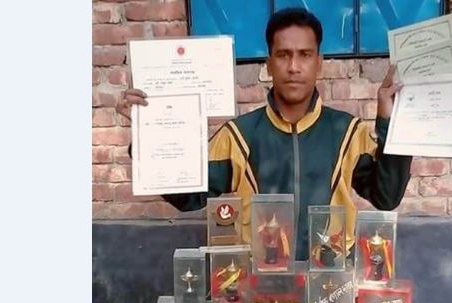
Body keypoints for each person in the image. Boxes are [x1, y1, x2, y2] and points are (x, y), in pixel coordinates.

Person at [117, 8, 412, 260]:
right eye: (283, 55)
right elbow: (188, 198)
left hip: (329, 281)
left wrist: (391, 121)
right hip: (260, 284)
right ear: (269, 64)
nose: (293, 67)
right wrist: (149, 134)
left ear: (319, 63)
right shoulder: (238, 136)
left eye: (305, 55)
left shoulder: (347, 132)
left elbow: (386, 196)